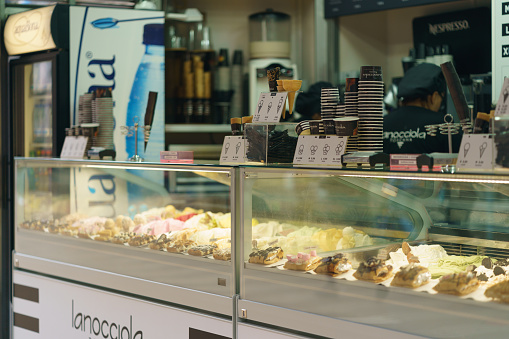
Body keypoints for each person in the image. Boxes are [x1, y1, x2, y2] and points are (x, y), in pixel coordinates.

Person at [383, 63, 462, 154]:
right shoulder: (444, 126)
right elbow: (462, 162)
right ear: (434, 97)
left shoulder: (383, 124)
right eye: (441, 97)